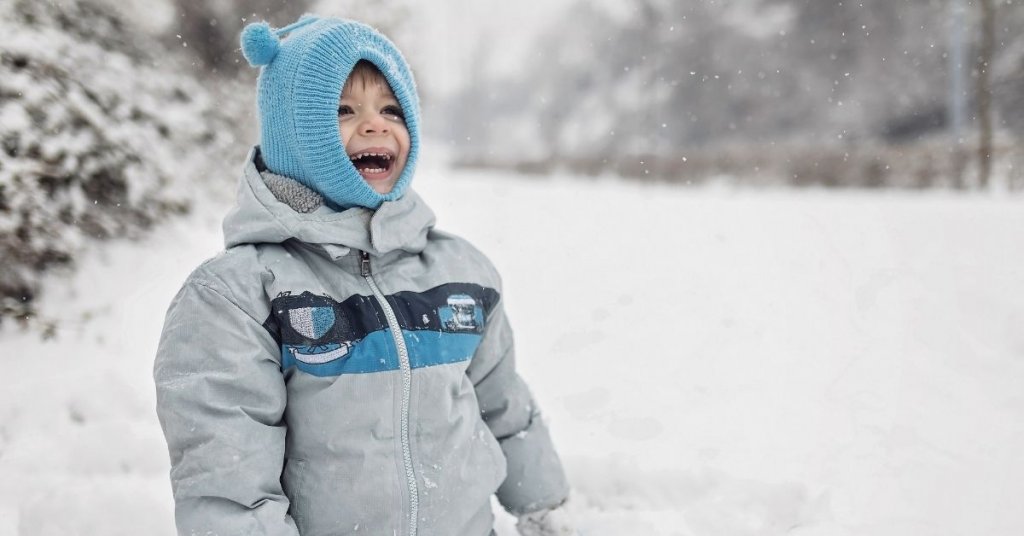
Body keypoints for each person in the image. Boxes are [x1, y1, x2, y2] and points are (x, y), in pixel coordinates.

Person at [153, 14, 576, 536]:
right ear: (293, 135)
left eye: (391, 109)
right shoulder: (239, 295)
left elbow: (501, 401)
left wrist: (544, 502)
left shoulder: (458, 273)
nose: (375, 124)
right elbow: (227, 470)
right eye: (343, 110)